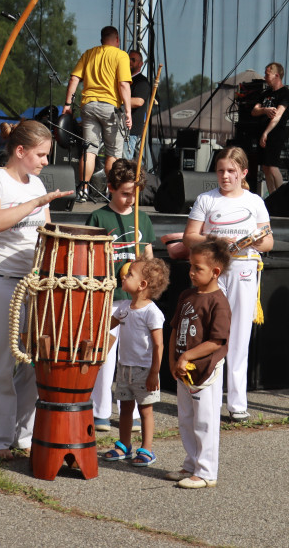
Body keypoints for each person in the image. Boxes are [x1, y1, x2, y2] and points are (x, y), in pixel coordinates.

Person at [0, 120, 73, 460]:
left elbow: (44, 232)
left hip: (34, 284)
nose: (46, 161)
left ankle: (23, 435)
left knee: (35, 362)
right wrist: (37, 202)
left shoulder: (37, 183)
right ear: (20, 151)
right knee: (1, 362)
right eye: (41, 154)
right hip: (1, 280)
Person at [183, 147, 273, 422]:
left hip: (244, 269)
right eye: (221, 170)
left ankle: (237, 404)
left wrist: (257, 241)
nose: (225, 176)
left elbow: (269, 241)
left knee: (239, 336)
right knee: (207, 331)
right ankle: (203, 394)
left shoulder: (255, 200)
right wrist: (215, 240)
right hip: (213, 271)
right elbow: (189, 237)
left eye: (231, 171)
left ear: (243, 173)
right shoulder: (206, 199)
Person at [87, 159, 155, 432]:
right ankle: (100, 411)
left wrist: (147, 284)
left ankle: (134, 410)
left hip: (135, 300)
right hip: (108, 297)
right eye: (125, 193)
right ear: (111, 188)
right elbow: (88, 259)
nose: (130, 199)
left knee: (135, 356)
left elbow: (149, 260)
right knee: (106, 355)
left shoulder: (143, 218)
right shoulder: (98, 217)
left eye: (135, 193)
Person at [166, 238, 232, 489]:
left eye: (198, 268)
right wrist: (174, 359)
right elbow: (174, 329)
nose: (192, 272)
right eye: (190, 266)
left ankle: (206, 472)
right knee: (186, 419)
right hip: (183, 371)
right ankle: (191, 463)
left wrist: (186, 357)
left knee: (205, 420)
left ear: (215, 272)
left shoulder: (218, 302)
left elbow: (216, 341)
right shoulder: (187, 295)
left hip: (205, 372)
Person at [101, 257, 170, 467]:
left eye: (129, 274)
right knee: (125, 407)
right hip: (124, 368)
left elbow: (159, 346)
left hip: (144, 370)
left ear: (142, 285)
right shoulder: (123, 307)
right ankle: (124, 444)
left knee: (145, 410)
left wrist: (154, 373)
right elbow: (106, 328)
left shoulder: (152, 313)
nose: (124, 275)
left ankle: (147, 449)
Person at [63, 26, 132, 202]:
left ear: (102, 40)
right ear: (117, 39)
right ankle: (113, 192)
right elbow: (124, 85)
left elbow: (74, 79)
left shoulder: (89, 54)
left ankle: (83, 190)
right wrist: (128, 111)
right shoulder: (121, 55)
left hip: (89, 105)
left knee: (90, 150)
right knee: (113, 152)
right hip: (110, 108)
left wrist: (68, 104)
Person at [252, 62, 289, 195]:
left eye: (267, 73)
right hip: (262, 132)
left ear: (276, 75)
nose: (265, 76)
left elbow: (278, 115)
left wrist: (266, 133)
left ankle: (281, 196)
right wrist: (264, 110)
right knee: (265, 166)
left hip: (275, 133)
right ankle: (272, 196)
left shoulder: (285, 93)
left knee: (272, 165)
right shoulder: (266, 93)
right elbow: (254, 111)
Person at [124, 49, 150, 162]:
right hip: (118, 127)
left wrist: (117, 100)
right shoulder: (123, 79)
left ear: (140, 64)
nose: (129, 62)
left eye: (133, 60)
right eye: (128, 59)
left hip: (130, 130)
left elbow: (139, 101)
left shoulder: (142, 82)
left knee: (124, 162)